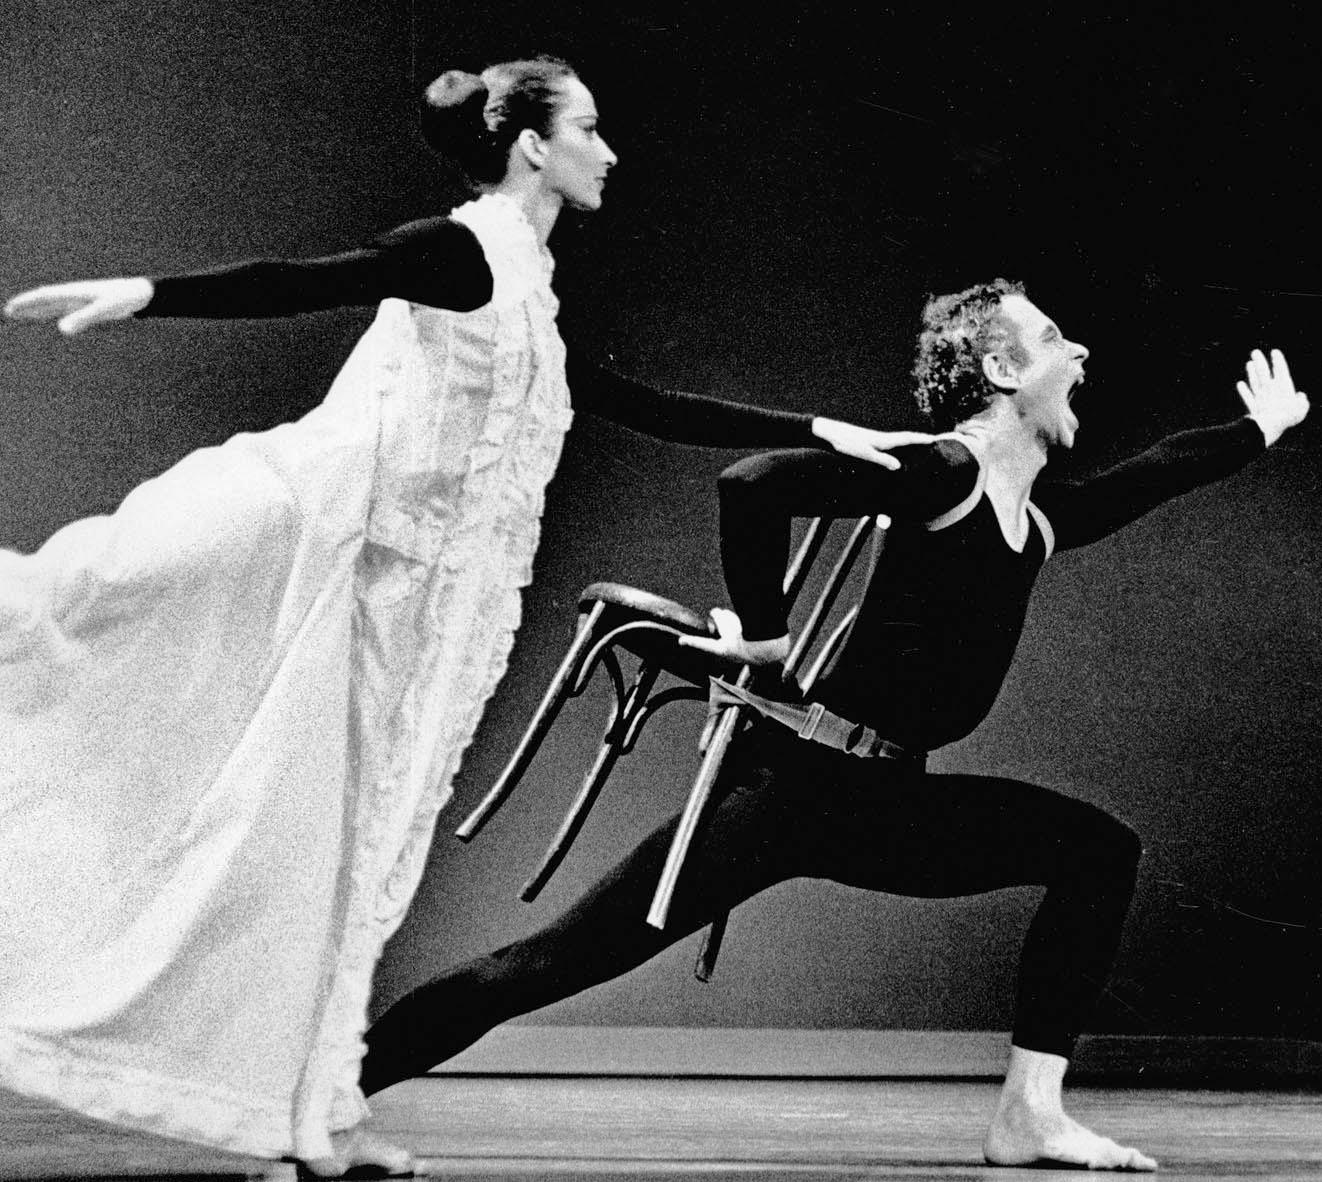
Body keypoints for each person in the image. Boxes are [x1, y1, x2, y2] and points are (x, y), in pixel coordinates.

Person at [0, 56, 922, 1175]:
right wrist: (149, 293)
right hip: (376, 584)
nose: (609, 151)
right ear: (532, 145)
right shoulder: (462, 251)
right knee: (296, 814)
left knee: (374, 851)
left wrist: (825, 434)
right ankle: (303, 1114)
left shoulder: (530, 287)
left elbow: (643, 403)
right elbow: (312, 277)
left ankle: (320, 1115)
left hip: (445, 610)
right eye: (589, 128)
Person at [357, 279, 1310, 1171]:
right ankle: (319, 1088)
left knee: (1096, 850)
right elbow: (754, 481)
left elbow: (1148, 477)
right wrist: (767, 636)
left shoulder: (1038, 516)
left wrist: (1254, 432)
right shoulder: (945, 473)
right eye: (1056, 339)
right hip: (795, 788)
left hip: (885, 800)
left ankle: (1029, 1113)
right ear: (1004, 372)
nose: (1083, 352)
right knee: (550, 964)